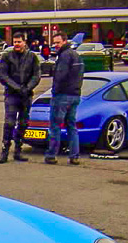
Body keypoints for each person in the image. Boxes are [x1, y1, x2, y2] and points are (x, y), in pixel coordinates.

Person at [0, 31, 41, 164]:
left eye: (19, 42)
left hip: (26, 95)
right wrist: (16, 87)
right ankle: (4, 151)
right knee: (9, 123)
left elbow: (36, 75)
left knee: (23, 123)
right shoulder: (7, 56)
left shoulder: (32, 57)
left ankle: (18, 151)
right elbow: (2, 75)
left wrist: (27, 88)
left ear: (24, 42)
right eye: (15, 42)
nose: (16, 44)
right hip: (11, 94)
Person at [45, 32, 84, 165]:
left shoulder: (64, 56)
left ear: (65, 41)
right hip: (75, 95)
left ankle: (51, 155)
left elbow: (60, 76)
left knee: (55, 126)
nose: (55, 45)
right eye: (54, 43)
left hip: (62, 96)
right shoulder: (76, 56)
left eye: (58, 42)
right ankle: (74, 156)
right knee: (71, 126)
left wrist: (55, 91)